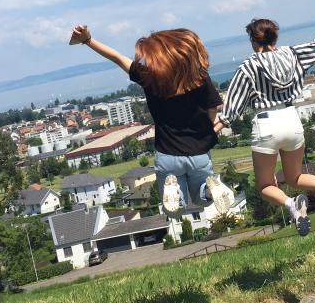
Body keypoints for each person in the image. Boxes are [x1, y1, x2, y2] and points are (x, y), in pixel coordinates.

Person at [214, 0, 315, 236]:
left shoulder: (248, 67)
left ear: (253, 41)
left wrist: (206, 135)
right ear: (275, 38)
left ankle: (292, 204)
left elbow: (230, 110)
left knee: (265, 185)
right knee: (295, 177)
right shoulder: (292, 54)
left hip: (266, 125)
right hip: (291, 119)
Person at [70, 24, 236, 216]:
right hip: (199, 153)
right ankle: (209, 189)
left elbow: (117, 57)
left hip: (167, 154)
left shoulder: (150, 77)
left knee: (174, 210)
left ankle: (174, 192)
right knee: (202, 199)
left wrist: (88, 40)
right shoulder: (198, 77)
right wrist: (206, 130)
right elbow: (212, 108)